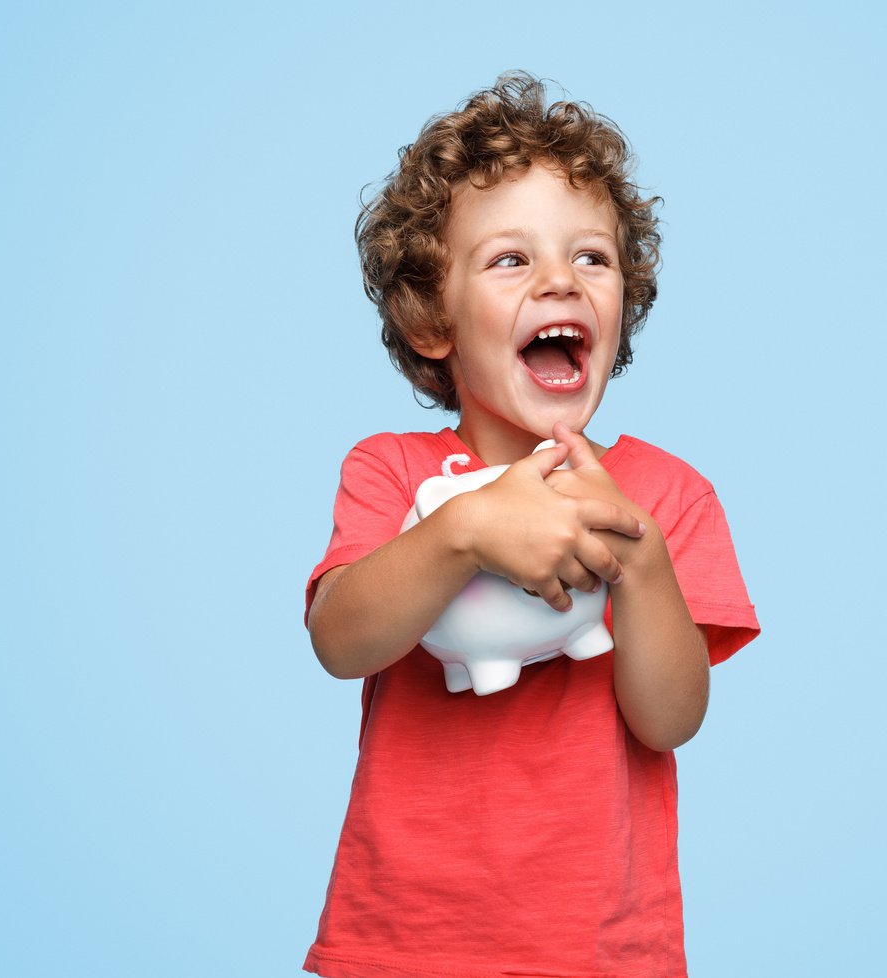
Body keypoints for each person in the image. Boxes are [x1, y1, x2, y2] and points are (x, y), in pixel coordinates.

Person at [303, 72, 760, 978]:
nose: (560, 279)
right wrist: (464, 530)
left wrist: (648, 565)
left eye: (591, 259)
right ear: (432, 319)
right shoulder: (391, 472)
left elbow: (668, 722)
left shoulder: (666, 495)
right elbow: (340, 642)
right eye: (512, 260)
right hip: (403, 942)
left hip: (599, 947)